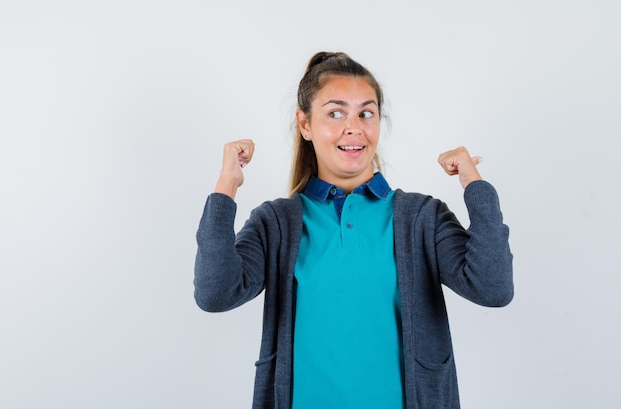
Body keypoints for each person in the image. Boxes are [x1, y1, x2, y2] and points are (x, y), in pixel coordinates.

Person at [194, 51, 514, 409]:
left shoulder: (421, 217)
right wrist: (227, 186)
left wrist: (474, 184)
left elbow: (494, 287)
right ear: (305, 125)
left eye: (366, 113)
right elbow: (215, 293)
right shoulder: (277, 222)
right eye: (335, 113)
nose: (354, 127)